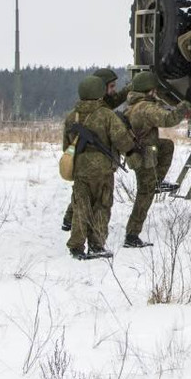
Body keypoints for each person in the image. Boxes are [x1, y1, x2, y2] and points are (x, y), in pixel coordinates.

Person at [62, 75, 138, 260]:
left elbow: (66, 147)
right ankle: (96, 244)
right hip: (103, 170)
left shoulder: (72, 116)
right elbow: (122, 140)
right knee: (102, 206)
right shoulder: (106, 115)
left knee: (81, 206)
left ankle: (76, 246)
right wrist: (131, 147)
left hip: (80, 169)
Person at [121, 72, 190, 248]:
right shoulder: (145, 108)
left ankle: (158, 181)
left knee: (166, 145)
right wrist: (186, 103)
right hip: (144, 156)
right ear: (150, 90)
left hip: (140, 152)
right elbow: (169, 119)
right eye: (154, 90)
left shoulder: (133, 106)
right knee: (145, 194)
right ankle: (132, 235)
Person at [62, 67, 127, 231]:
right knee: (97, 198)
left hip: (84, 163)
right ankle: (79, 226)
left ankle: (71, 220)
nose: (114, 90)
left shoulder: (86, 108)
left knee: (82, 192)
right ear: (101, 88)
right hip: (99, 162)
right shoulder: (100, 109)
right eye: (111, 86)